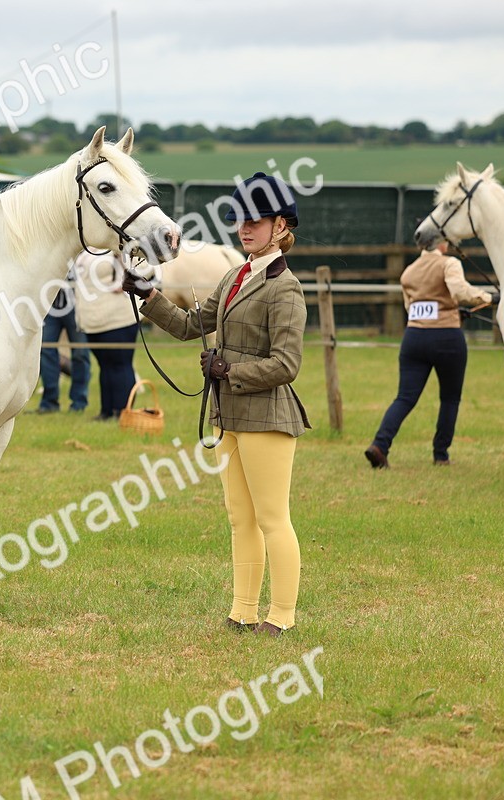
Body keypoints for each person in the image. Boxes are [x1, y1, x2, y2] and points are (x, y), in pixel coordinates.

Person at [122, 172, 310, 637]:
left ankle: (281, 616)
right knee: (239, 517)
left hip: (267, 416)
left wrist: (230, 371)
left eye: (256, 221)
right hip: (229, 415)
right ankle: (243, 610)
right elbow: (190, 325)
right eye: (241, 220)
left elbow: (286, 364)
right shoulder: (235, 276)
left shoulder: (285, 288)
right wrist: (148, 295)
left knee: (272, 518)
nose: (245, 228)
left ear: (280, 226)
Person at [365, 240, 493, 468]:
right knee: (450, 398)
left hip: (414, 337)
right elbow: (459, 291)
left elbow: (410, 307)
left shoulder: (409, 271)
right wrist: (487, 298)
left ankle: (379, 445)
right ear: (441, 242)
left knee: (404, 397)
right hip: (447, 338)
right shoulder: (448, 263)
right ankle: (440, 454)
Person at [72, 251, 139, 421]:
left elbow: (144, 268)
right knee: (105, 366)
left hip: (118, 318)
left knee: (120, 364)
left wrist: (125, 282)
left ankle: (122, 411)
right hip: (93, 321)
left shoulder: (121, 246)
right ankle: (107, 411)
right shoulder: (87, 250)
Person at [34, 262, 90, 414]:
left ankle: (79, 402)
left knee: (80, 354)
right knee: (46, 352)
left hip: (77, 305)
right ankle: (49, 402)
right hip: (51, 307)